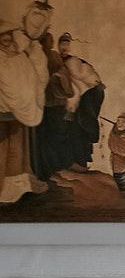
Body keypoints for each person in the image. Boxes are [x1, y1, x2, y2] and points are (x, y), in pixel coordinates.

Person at [35, 32, 104, 179]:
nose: (64, 47)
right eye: (62, 44)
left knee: (77, 130)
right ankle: (60, 165)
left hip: (76, 104)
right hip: (58, 103)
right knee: (58, 133)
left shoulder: (75, 61)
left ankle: (78, 163)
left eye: (66, 44)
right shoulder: (52, 59)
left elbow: (86, 78)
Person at [0, 3, 50, 204]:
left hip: (17, 113)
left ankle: (16, 189)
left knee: (18, 152)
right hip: (3, 112)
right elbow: (8, 81)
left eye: (9, 36)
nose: (7, 40)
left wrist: (32, 52)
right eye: (3, 37)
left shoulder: (19, 55)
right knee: (3, 151)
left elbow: (36, 78)